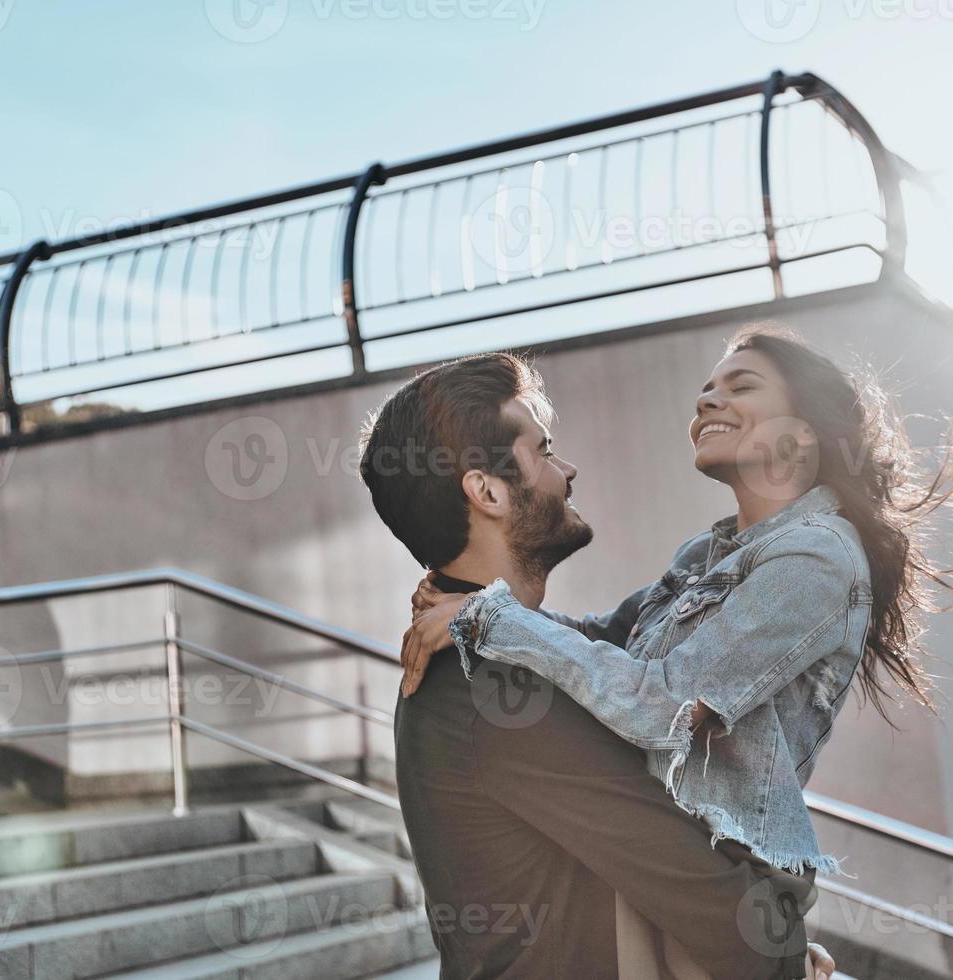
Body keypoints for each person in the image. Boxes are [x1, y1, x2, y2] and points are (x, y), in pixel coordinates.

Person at [404, 324, 953, 885]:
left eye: (740, 386)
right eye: (707, 389)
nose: (708, 399)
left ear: (802, 433)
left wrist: (490, 620)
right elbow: (604, 639)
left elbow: (665, 704)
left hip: (728, 877)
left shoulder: (818, 559)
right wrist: (465, 598)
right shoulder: (707, 552)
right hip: (665, 863)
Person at [358, 351, 835, 979]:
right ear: (488, 491)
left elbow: (637, 628)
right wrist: (784, 957)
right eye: (545, 450)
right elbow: (690, 875)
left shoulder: (501, 653)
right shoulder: (495, 691)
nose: (567, 469)